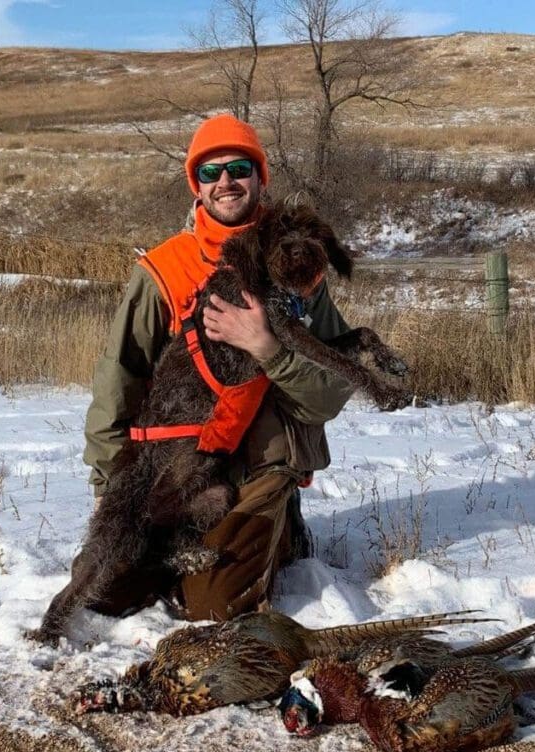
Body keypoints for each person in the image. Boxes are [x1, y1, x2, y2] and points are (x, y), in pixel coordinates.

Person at [83, 113, 354, 621]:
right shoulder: (164, 270)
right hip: (175, 469)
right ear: (197, 186)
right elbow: (119, 379)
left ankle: (279, 527)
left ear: (259, 177)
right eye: (210, 172)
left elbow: (329, 395)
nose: (225, 181)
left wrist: (266, 346)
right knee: (105, 589)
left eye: (238, 168)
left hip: (258, 467)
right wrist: (107, 485)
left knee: (211, 607)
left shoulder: (301, 268)